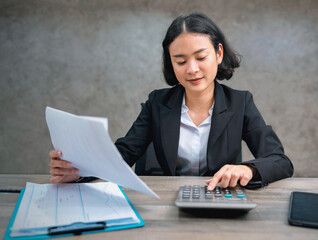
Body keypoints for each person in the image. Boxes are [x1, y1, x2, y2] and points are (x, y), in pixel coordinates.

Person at [48, 12, 293, 190]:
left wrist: (248, 169)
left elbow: (280, 161)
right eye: (181, 61)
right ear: (171, 63)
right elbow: (123, 153)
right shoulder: (157, 103)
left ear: (218, 54)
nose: (193, 69)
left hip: (219, 202)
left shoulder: (240, 103)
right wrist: (79, 172)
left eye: (201, 57)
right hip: (164, 203)